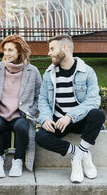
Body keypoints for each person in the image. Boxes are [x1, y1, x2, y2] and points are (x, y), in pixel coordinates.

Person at [35, 34, 105, 183]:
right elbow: (43, 100)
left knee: (98, 115)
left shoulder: (87, 71)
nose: (48, 53)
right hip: (59, 121)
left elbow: (93, 100)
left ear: (65, 48)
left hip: (79, 120)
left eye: (52, 49)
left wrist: (70, 116)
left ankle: (77, 161)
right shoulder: (49, 74)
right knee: (41, 137)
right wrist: (46, 118)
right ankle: (81, 154)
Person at [0, 34, 41, 178]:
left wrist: (31, 111)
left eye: (10, 50)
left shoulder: (32, 71)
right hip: (0, 115)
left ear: (19, 51)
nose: (6, 53)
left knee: (22, 127)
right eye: (5, 50)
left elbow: (39, 97)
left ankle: (18, 161)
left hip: (20, 115)